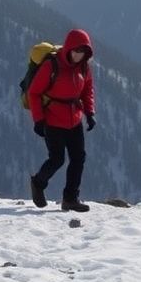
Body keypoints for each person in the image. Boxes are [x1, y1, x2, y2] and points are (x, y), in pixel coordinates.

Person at [28, 28, 96, 212]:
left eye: (83, 52)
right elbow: (34, 93)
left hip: (74, 119)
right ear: (69, 48)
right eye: (76, 51)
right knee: (57, 159)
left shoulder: (83, 67)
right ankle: (38, 183)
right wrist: (38, 120)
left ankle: (70, 199)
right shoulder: (52, 66)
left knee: (78, 158)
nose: (79, 55)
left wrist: (90, 113)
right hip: (53, 120)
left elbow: (87, 89)